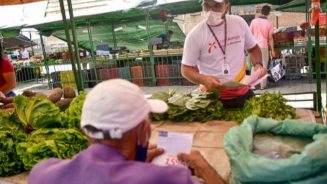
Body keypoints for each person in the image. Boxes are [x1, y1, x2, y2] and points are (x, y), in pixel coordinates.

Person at [28, 79, 225, 184]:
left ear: (86, 130)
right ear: (144, 131)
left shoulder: (42, 173)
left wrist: (132, 163)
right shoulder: (169, 178)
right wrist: (207, 171)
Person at [181, 0, 267, 108]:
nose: (211, 11)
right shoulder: (194, 35)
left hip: (241, 93)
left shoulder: (239, 23)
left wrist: (258, 65)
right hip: (211, 98)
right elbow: (186, 69)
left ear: (227, 6)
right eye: (207, 5)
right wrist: (203, 80)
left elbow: (253, 49)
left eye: (217, 5)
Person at [250, 5, 275, 89]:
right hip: (263, 46)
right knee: (264, 65)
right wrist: (272, 50)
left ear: (261, 11)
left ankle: (252, 85)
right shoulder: (269, 23)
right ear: (268, 13)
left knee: (254, 65)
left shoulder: (254, 21)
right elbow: (270, 38)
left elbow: (250, 34)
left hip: (254, 46)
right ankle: (262, 85)